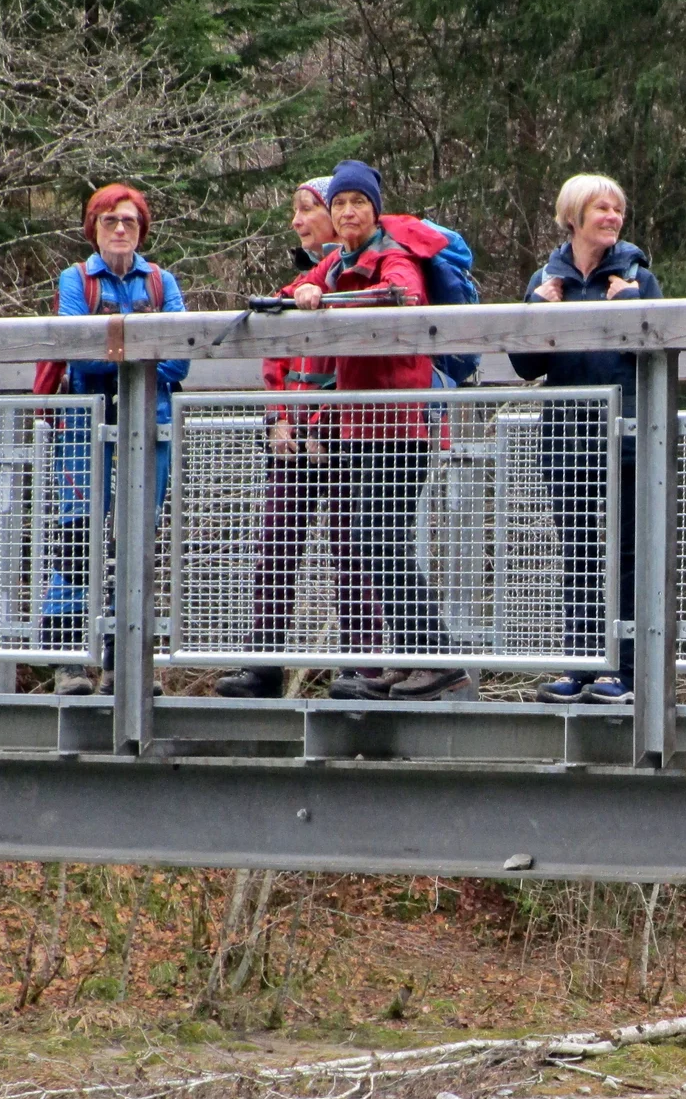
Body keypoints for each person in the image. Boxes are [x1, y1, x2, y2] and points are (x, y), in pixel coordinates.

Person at [281, 159, 471, 702]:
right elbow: (295, 287)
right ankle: (411, 657)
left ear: (374, 209)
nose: (346, 212)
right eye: (339, 204)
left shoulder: (393, 255)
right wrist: (302, 294)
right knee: (373, 539)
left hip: (401, 425)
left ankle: (436, 659)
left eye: (357, 203)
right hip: (362, 425)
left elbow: (401, 298)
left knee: (378, 537)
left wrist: (328, 301)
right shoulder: (340, 259)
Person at [215, 177, 381, 699]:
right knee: (276, 541)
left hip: (351, 433)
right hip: (297, 435)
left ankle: (363, 665)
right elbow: (279, 360)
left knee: (356, 546)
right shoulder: (307, 278)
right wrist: (281, 418)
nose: (297, 220)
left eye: (307, 209)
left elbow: (360, 361)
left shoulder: (359, 273)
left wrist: (324, 421)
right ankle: (263, 662)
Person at [510, 174, 662, 705]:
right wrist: (539, 311)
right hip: (565, 439)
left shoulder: (639, 276)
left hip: (627, 441)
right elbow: (525, 364)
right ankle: (580, 664)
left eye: (618, 210)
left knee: (628, 556)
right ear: (573, 216)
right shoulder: (545, 280)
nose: (613, 217)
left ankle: (624, 671)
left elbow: (658, 354)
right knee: (578, 554)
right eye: (602, 208)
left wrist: (634, 309)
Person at [41, 183, 189, 697]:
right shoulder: (75, 279)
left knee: (137, 541)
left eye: (128, 221)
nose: (120, 230)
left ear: (142, 229)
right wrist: (136, 352)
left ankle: (128, 664)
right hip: (87, 428)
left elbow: (180, 356)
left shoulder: (160, 281)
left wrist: (115, 355)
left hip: (151, 425)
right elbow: (73, 349)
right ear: (94, 230)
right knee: (78, 536)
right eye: (109, 222)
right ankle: (68, 661)